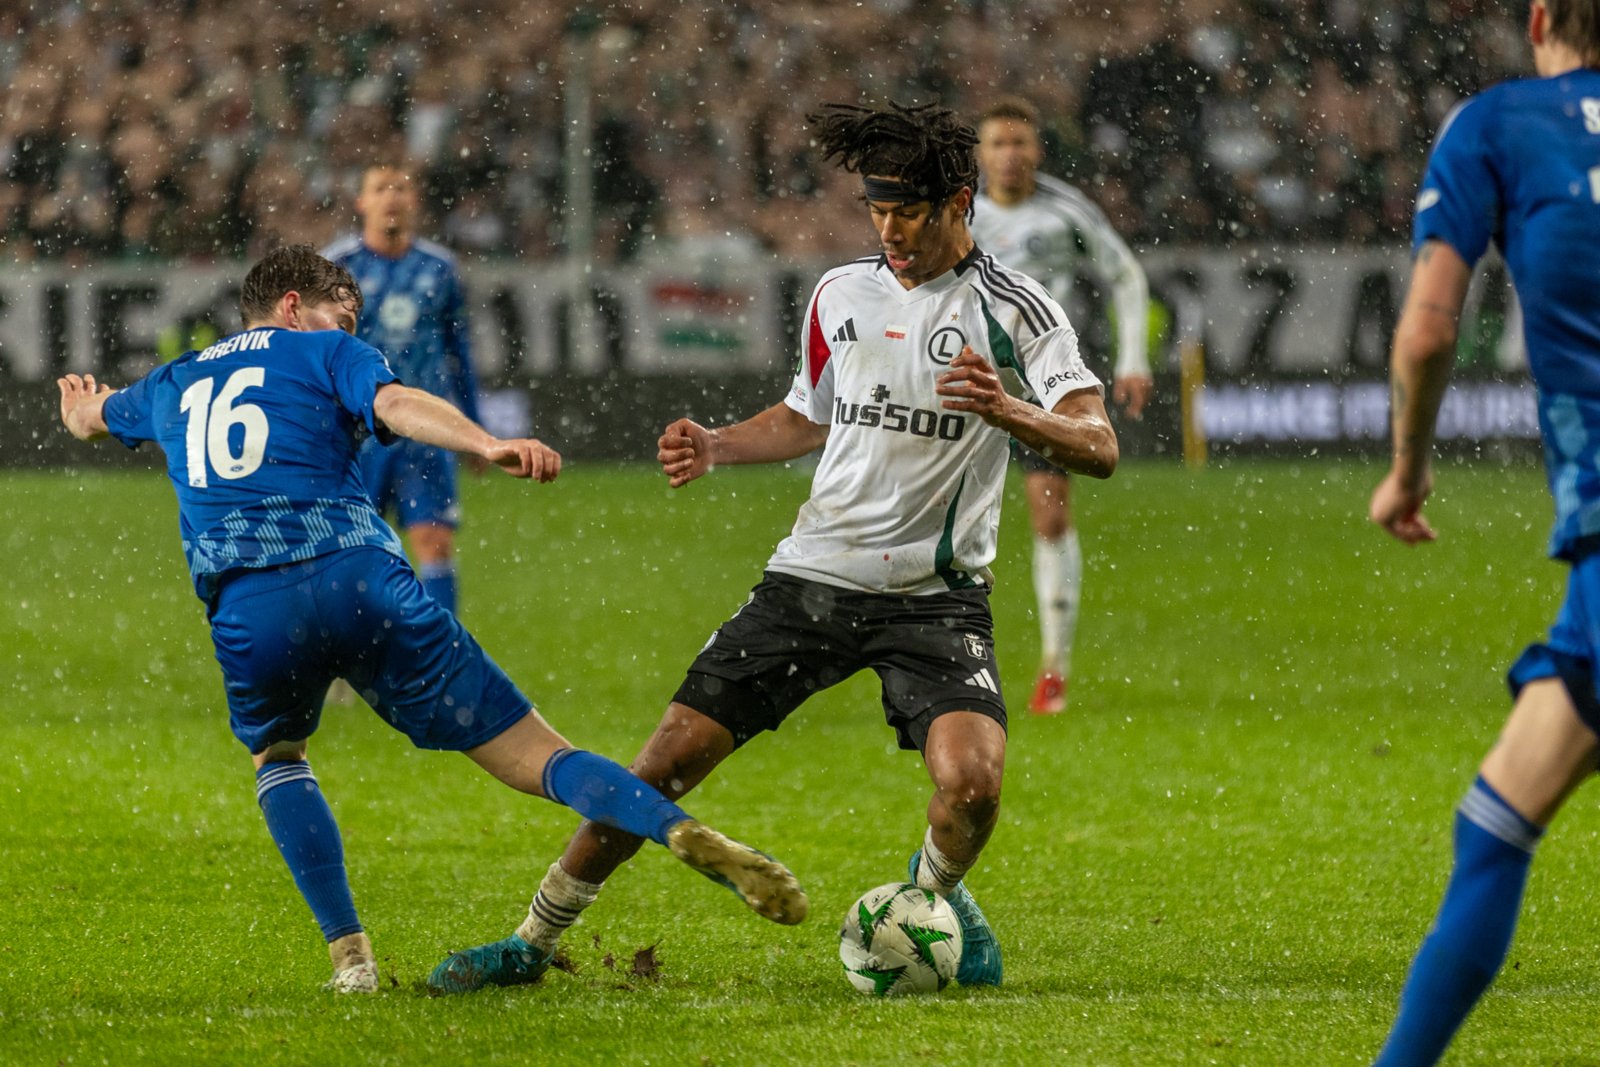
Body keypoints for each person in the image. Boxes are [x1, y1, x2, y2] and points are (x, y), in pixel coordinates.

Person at [427, 101, 1118, 995]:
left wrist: (1010, 409)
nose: (890, 230)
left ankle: (930, 901)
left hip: (935, 597)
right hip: (810, 581)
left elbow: (1096, 445)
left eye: (909, 211)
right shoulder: (840, 294)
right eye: (877, 210)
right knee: (663, 761)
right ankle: (533, 936)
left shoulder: (1018, 312)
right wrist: (718, 443)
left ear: (960, 201)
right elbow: (805, 415)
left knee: (973, 786)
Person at [55, 244, 806, 995]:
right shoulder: (327, 352)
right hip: (359, 581)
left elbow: (93, 417)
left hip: (252, 611)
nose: (347, 329)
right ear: (290, 305)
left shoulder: (176, 379)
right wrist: (486, 440)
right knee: (536, 755)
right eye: (338, 315)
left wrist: (79, 405)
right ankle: (671, 826)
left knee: (280, 758)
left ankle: (351, 959)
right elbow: (395, 403)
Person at [1368, 3, 1600, 1062]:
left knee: (1497, 826)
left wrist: (1407, 469)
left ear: (1540, 18)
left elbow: (1424, 329)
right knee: (1496, 813)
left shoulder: (1498, 124)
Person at [970, 96, 1152, 715]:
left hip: (1040, 389)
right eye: (999, 144)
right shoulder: (958, 212)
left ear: (1037, 150)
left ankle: (1055, 667)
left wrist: (1132, 359)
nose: (1011, 156)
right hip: (964, 384)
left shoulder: (1064, 211)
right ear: (981, 153)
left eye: (1020, 144)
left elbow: (1124, 272)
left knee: (1049, 518)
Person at [324, 163, 479, 617]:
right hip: (359, 433)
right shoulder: (338, 267)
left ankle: (440, 658)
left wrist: (473, 426)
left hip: (424, 432)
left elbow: (458, 351)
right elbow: (318, 351)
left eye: (401, 188)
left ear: (415, 202)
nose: (391, 196)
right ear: (362, 202)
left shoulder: (440, 269)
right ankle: (340, 656)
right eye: (380, 188)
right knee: (353, 551)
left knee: (435, 543)